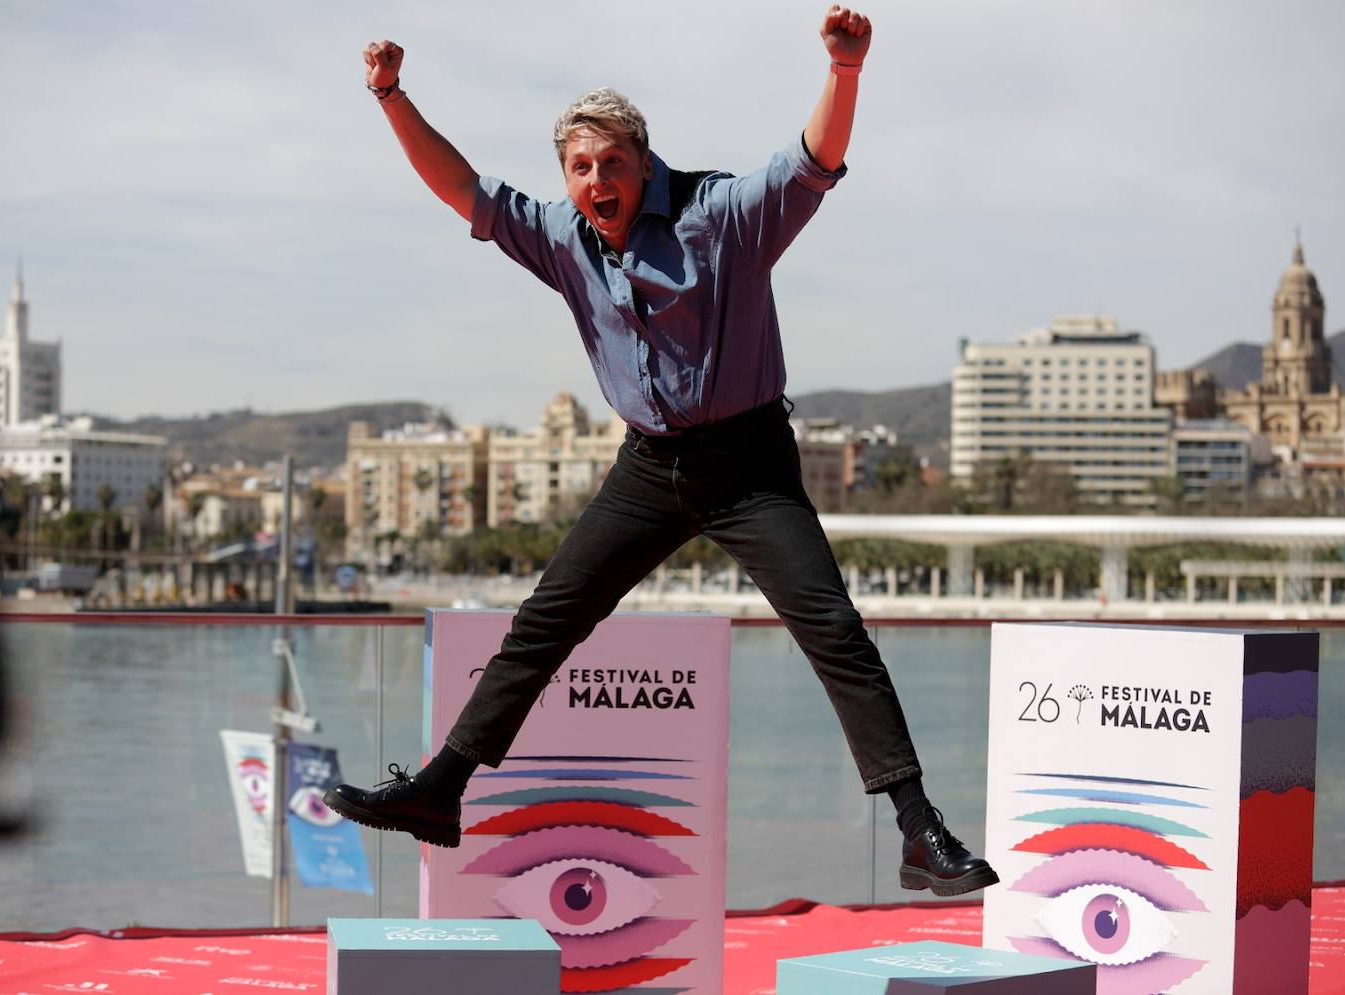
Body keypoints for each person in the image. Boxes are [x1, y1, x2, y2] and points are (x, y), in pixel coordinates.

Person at [326, 5, 998, 897]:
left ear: (644, 163)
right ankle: (440, 791)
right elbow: (462, 187)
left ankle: (921, 831)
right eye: (580, 167)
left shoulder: (717, 215)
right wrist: (391, 96)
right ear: (567, 178)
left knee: (833, 630)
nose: (596, 179)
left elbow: (811, 164)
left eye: (612, 163)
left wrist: (844, 70)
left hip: (750, 464)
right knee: (543, 624)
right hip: (647, 466)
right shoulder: (564, 236)